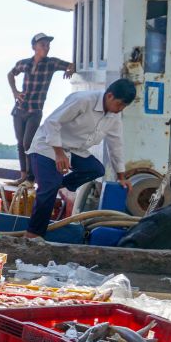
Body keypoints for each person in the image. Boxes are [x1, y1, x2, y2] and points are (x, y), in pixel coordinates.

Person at [25, 78, 137, 239]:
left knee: (96, 169)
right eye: (120, 104)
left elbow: (116, 144)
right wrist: (58, 152)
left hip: (74, 150)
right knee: (48, 188)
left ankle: (59, 184)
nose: (120, 109)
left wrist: (121, 177)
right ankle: (32, 235)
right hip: (48, 146)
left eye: (124, 107)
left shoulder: (114, 116)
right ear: (110, 96)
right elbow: (52, 123)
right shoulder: (83, 100)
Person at [7, 32, 75, 185]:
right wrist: (15, 91)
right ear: (34, 47)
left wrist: (70, 69)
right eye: (43, 45)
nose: (46, 47)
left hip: (35, 111)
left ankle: (31, 179)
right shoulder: (25, 63)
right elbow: (11, 74)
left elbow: (72, 65)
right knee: (20, 143)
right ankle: (23, 176)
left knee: (28, 143)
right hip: (19, 109)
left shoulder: (51, 63)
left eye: (48, 45)